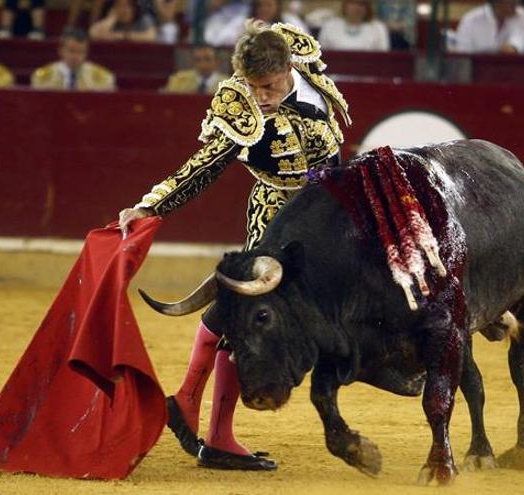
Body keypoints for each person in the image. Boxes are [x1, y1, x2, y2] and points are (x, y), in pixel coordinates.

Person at [117, 19, 351, 471]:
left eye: (267, 86)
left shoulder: (294, 48)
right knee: (252, 314)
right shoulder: (238, 106)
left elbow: (279, 33)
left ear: (288, 67)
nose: (259, 96)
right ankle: (214, 430)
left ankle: (187, 401)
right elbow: (201, 166)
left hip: (329, 213)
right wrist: (151, 207)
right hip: (276, 217)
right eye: (252, 86)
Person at [31, 28, 116, 91]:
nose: (76, 56)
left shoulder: (103, 78)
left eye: (80, 51)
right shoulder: (42, 78)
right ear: (60, 50)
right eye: (71, 51)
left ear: (87, 52)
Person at [454, 0, 524, 54]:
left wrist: (512, 48)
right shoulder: (470, 20)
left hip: (509, 70)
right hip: (476, 71)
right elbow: (462, 54)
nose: (517, 2)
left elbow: (519, 41)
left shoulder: (520, 15)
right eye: (512, 2)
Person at [318, 0, 391, 52]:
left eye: (361, 4)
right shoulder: (329, 26)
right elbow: (321, 57)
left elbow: (383, 60)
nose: (357, 7)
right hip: (334, 73)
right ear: (345, 5)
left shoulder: (378, 28)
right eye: (353, 2)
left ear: (368, 7)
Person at [162, 45, 228, 94]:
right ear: (193, 62)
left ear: (217, 62)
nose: (202, 64)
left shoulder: (228, 85)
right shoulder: (179, 80)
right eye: (198, 60)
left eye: (207, 59)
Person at [89, 0, 159, 42]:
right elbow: (93, 34)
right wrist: (111, 19)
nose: (124, 10)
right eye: (119, 6)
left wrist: (124, 36)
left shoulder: (143, 20)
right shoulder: (110, 21)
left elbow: (152, 36)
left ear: (134, 8)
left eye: (128, 6)